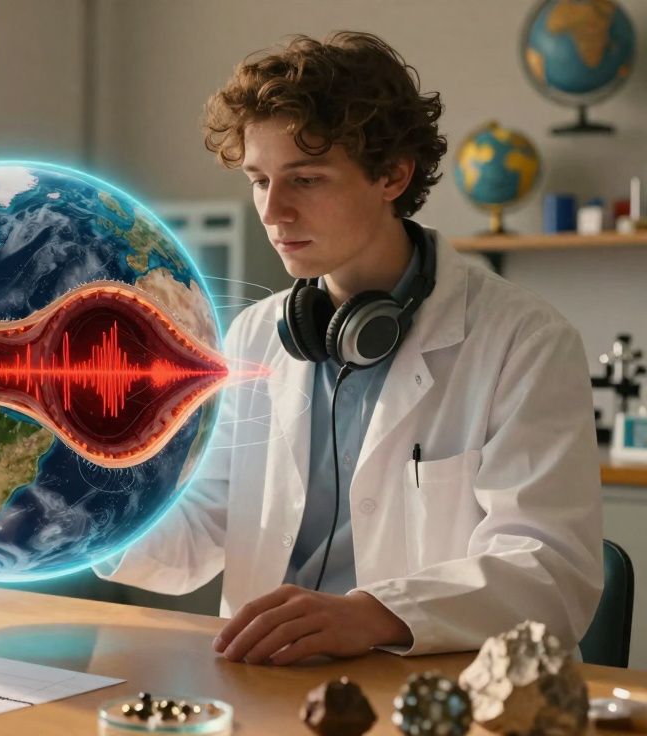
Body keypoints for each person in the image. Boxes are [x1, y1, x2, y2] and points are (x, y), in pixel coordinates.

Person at [94, 31, 602, 665]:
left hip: (441, 693)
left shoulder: (523, 342)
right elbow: (198, 533)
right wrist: (85, 498)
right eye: (259, 180)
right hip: (270, 686)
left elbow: (550, 573)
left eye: (304, 179)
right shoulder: (256, 334)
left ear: (392, 175)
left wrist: (372, 615)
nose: (273, 211)